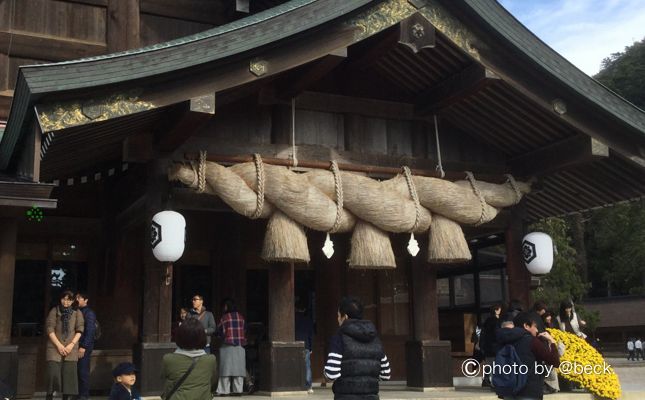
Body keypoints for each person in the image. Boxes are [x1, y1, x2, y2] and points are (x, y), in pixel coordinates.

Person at [324, 297, 390, 400]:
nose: (337, 319)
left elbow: (331, 373)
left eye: (338, 316)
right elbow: (386, 374)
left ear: (345, 317)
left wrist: (325, 374)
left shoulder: (339, 338)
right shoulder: (374, 338)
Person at [495, 312, 560, 400]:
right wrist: (552, 342)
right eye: (535, 326)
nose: (537, 330)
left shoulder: (503, 339)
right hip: (529, 391)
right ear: (526, 326)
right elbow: (554, 361)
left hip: (508, 390)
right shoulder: (532, 341)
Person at [161, 318, 216, 400]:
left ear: (179, 336)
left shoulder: (168, 359)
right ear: (202, 337)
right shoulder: (210, 360)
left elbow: (163, 379)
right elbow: (213, 383)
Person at [46, 290, 85, 400]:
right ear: (60, 299)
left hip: (71, 348)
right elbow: (49, 328)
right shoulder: (55, 310)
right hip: (54, 347)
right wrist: (59, 345)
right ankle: (49, 397)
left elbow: (80, 329)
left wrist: (71, 345)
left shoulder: (77, 312)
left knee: (69, 379)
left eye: (69, 300)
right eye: (64, 299)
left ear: (73, 301)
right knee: (52, 376)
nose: (66, 302)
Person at [215, 298, 247, 396]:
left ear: (227, 306)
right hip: (240, 346)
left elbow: (219, 331)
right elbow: (245, 330)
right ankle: (238, 390)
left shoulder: (225, 317)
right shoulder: (241, 317)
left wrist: (220, 336)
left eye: (224, 306)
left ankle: (224, 391)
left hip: (227, 346)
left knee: (225, 369)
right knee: (239, 369)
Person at [76, 292, 97, 400]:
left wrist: (84, 346)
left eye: (79, 298)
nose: (77, 300)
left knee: (82, 371)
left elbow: (90, 331)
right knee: (77, 371)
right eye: (76, 298)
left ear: (86, 300)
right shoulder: (77, 311)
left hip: (84, 346)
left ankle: (83, 396)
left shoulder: (89, 313)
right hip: (76, 345)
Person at [480, 304, 502, 387]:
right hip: (494, 345)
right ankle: (494, 381)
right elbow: (496, 333)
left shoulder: (487, 320)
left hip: (487, 345)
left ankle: (486, 379)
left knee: (489, 363)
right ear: (496, 310)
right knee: (495, 364)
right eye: (499, 309)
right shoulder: (496, 321)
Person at [295, 298, 315, 394]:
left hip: (294, 344)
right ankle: (308, 386)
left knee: (294, 365)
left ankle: (296, 384)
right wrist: (311, 347)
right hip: (306, 344)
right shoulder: (308, 320)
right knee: (307, 365)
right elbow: (311, 334)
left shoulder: (293, 318)